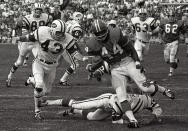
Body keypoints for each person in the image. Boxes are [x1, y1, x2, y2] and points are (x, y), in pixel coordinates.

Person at [83, 19, 175, 128]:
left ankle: (163, 90)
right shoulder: (93, 43)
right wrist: (92, 68)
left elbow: (130, 48)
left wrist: (136, 61)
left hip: (127, 62)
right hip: (115, 68)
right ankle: (133, 120)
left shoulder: (115, 33)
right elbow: (102, 60)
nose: (101, 35)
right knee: (122, 95)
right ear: (94, 34)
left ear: (107, 30)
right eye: (98, 33)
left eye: (103, 32)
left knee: (145, 88)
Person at [12, 19, 88, 120]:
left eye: (62, 33)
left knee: (45, 92)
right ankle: (37, 111)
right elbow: (28, 37)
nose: (61, 35)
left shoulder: (67, 38)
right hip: (39, 63)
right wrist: (17, 38)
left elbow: (73, 52)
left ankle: (31, 80)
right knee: (39, 87)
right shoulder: (42, 31)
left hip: (52, 67)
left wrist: (82, 58)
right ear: (52, 30)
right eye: (58, 32)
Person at [40, 93, 163, 126]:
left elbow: (157, 108)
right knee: (77, 104)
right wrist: (133, 121)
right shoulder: (120, 105)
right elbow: (115, 121)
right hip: (106, 100)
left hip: (113, 106)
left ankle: (74, 112)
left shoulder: (146, 100)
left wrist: (153, 117)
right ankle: (48, 102)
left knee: (92, 118)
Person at [6, 3, 52, 87]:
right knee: (19, 62)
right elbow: (25, 34)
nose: (38, 11)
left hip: (36, 43)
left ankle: (34, 79)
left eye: (40, 10)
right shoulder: (27, 18)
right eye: (36, 10)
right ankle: (9, 77)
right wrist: (16, 38)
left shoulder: (46, 17)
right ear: (33, 10)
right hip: (27, 42)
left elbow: (48, 30)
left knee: (40, 61)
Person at [59, 12, 86, 86]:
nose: (82, 20)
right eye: (82, 18)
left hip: (58, 44)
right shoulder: (77, 27)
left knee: (54, 63)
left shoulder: (68, 22)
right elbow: (73, 41)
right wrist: (78, 53)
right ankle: (63, 80)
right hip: (66, 45)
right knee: (75, 64)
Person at [159, 10, 186, 77]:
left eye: (173, 16)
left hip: (175, 42)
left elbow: (184, 32)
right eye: (170, 16)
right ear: (168, 17)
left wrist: (185, 37)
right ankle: (175, 61)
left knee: (172, 56)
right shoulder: (164, 22)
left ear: (175, 16)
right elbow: (160, 32)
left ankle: (171, 72)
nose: (171, 17)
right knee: (167, 60)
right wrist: (160, 39)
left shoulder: (179, 23)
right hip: (166, 42)